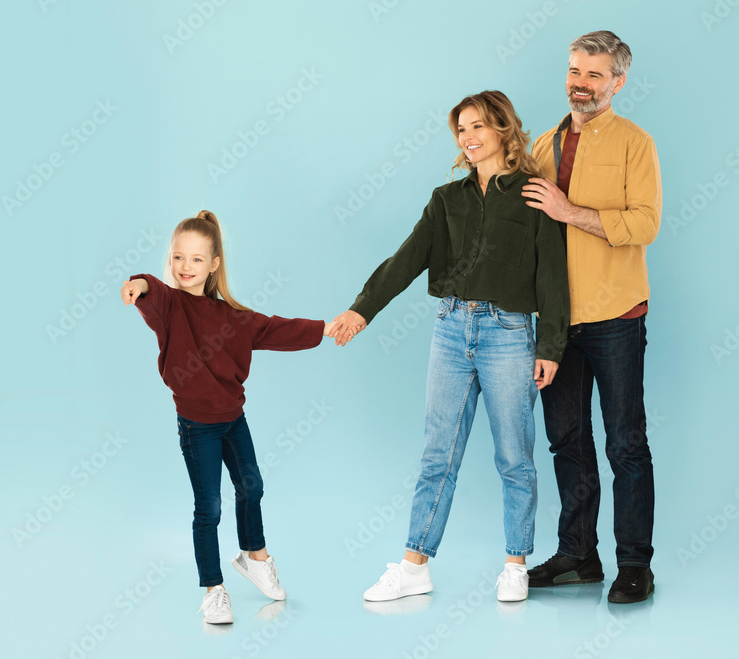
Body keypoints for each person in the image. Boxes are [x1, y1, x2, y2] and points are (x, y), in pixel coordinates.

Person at [330, 91, 570, 603]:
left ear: (504, 129)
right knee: (438, 454)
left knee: (514, 456)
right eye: (462, 129)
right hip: (451, 330)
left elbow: (553, 277)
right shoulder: (447, 200)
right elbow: (408, 256)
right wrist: (361, 308)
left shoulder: (534, 195)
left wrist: (549, 346)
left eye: (479, 126)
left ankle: (515, 563)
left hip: (509, 336)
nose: (470, 137)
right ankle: (415, 564)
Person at [121, 211, 336, 624]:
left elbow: (278, 329)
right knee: (209, 508)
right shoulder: (169, 307)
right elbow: (151, 288)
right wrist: (139, 284)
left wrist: (327, 328)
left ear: (214, 264)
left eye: (197, 260)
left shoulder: (233, 318)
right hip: (196, 426)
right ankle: (214, 590)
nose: (186, 267)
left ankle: (255, 556)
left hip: (234, 420)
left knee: (251, 485)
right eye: (178, 258)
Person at [522, 30, 661, 604]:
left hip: (615, 316)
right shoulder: (541, 143)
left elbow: (644, 224)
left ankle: (636, 565)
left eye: (594, 75)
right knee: (567, 441)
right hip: (556, 323)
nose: (580, 84)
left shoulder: (635, 143)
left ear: (618, 82)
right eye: (575, 71)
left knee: (626, 444)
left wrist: (568, 211)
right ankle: (578, 555)